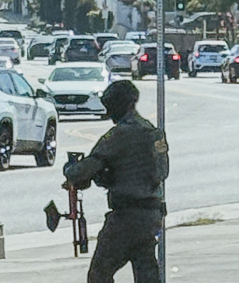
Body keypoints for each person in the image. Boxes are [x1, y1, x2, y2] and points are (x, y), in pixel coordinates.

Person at [64, 81, 169, 283]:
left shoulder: (119, 134)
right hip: (151, 215)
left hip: (126, 216)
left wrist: (70, 169)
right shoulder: (153, 132)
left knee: (99, 274)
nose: (110, 113)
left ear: (125, 105)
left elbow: (82, 170)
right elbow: (161, 172)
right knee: (146, 271)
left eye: (112, 106)